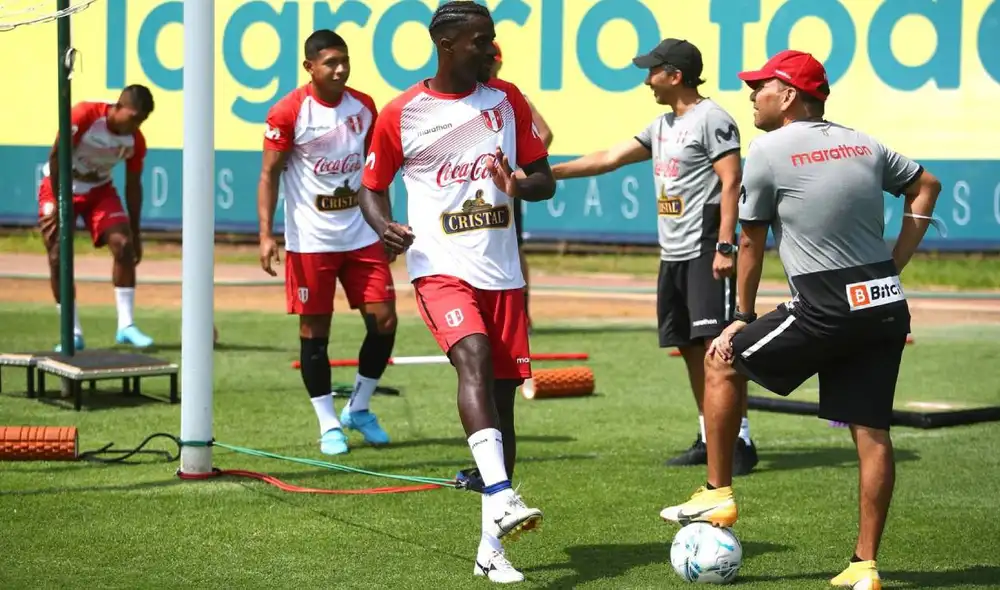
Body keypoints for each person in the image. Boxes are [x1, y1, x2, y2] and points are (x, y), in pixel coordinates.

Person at [658, 50, 942, 589]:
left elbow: (749, 240)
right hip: (883, 304)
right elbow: (927, 185)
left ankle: (718, 493)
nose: (752, 94)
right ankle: (864, 567)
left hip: (826, 303)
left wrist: (739, 318)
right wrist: (895, 262)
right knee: (871, 432)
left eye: (761, 86)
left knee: (721, 362)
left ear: (788, 95)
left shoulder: (767, 150)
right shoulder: (866, 141)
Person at [358, 2, 556, 583]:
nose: (491, 51)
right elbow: (372, 186)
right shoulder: (402, 112)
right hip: (438, 266)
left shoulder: (507, 101)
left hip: (504, 275)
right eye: (480, 42)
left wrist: (517, 181)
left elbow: (543, 180)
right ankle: (498, 490)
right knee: (468, 357)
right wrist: (381, 225)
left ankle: (491, 547)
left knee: (502, 406)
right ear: (447, 46)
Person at [550, 39, 758, 474]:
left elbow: (731, 180)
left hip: (705, 249)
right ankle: (708, 434)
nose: (647, 80)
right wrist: (545, 173)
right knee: (686, 345)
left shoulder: (712, 118)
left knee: (716, 347)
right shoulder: (661, 124)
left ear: (675, 75)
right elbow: (609, 157)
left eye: (653, 71)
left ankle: (739, 440)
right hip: (673, 253)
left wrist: (725, 244)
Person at [257, 30, 397, 456]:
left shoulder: (364, 106)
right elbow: (269, 174)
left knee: (385, 322)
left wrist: (385, 225)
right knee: (315, 334)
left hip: (361, 236)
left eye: (345, 61)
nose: (340, 69)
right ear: (310, 68)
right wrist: (265, 234)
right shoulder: (287, 112)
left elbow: (375, 173)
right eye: (331, 62)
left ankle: (359, 407)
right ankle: (328, 423)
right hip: (311, 241)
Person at [38, 85, 156, 352]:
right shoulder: (85, 115)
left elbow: (134, 185)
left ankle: (126, 327)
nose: (137, 125)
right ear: (119, 107)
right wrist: (58, 202)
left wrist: (135, 232)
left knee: (123, 245)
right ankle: (72, 332)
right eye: (134, 117)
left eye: (142, 121)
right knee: (58, 254)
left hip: (99, 190)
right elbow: (57, 155)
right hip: (61, 186)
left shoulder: (135, 140)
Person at [490, 40, 554, 331]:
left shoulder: (512, 96)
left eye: (493, 59)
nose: (490, 64)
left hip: (502, 184)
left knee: (513, 246)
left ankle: (521, 312)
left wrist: (521, 165)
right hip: (472, 184)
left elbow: (545, 133)